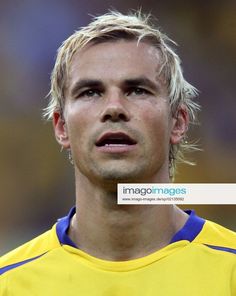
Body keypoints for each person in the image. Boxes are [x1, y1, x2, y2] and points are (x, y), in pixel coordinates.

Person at [0, 10, 235, 295]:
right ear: (61, 127)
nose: (114, 108)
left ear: (178, 122)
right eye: (90, 92)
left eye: (137, 90)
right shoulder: (10, 283)